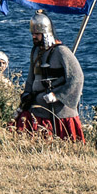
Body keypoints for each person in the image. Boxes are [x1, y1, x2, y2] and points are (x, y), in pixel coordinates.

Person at [13, 11, 85, 142]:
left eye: (37, 34)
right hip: (37, 107)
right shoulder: (35, 51)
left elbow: (77, 78)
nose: (34, 36)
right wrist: (26, 94)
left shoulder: (61, 51)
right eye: (32, 34)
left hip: (58, 111)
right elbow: (31, 77)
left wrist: (57, 95)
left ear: (45, 33)